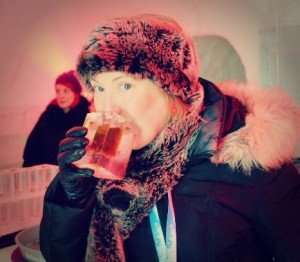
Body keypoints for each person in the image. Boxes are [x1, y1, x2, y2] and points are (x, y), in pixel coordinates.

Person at [39, 14, 300, 262]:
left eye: (125, 86)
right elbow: (59, 255)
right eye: (99, 88)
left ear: (171, 89)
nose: (108, 107)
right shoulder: (104, 170)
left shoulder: (255, 162)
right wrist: (71, 196)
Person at [23, 70, 90, 167]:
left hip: (74, 174)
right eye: (58, 91)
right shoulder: (49, 114)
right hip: (46, 171)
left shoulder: (86, 116)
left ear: (75, 92)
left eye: (66, 91)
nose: (61, 95)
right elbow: (32, 145)